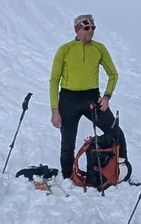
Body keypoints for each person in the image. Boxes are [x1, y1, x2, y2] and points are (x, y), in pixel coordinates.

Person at [49, 14, 117, 182]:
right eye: (87, 28)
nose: (91, 31)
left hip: (91, 98)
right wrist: (54, 110)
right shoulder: (65, 49)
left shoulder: (99, 48)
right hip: (68, 99)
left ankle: (118, 169)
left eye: (93, 28)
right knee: (68, 141)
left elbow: (113, 74)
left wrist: (107, 96)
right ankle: (67, 177)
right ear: (78, 30)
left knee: (115, 132)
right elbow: (54, 80)